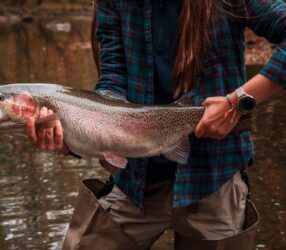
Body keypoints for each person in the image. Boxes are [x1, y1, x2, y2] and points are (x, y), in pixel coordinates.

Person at [26, 0, 286, 249]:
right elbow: (111, 86)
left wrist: (237, 102)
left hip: (214, 177)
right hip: (136, 180)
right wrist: (70, 137)